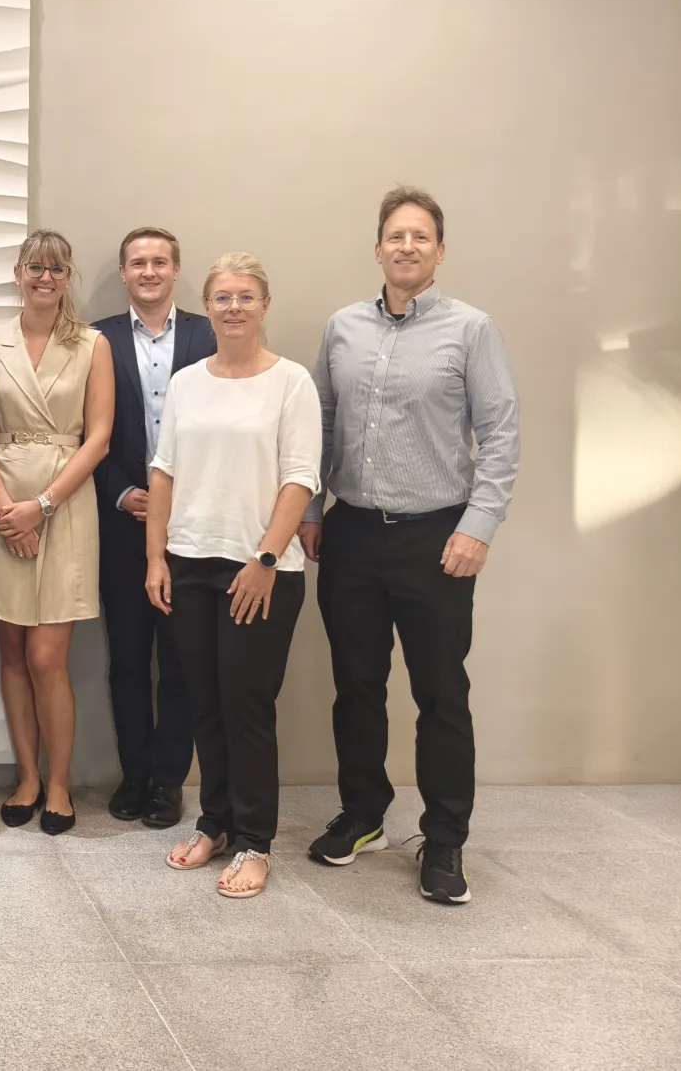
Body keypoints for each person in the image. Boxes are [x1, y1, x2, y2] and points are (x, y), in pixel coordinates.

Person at [298, 187, 519, 906]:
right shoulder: (343, 328)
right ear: (378, 249)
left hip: (437, 537)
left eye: (421, 237)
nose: (407, 247)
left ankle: (445, 838)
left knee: (441, 693)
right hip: (353, 532)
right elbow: (321, 422)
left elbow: (501, 434)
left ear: (440, 251)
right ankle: (363, 814)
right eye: (396, 236)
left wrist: (477, 527)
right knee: (357, 686)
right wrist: (311, 509)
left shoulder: (471, 330)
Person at [146, 252, 320, 899]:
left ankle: (254, 841)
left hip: (260, 569)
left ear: (264, 305)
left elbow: (300, 478)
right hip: (190, 561)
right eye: (222, 297)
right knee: (204, 704)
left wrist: (266, 560)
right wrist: (156, 557)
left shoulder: (291, 382)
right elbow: (163, 471)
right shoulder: (187, 382)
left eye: (246, 297)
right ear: (208, 307)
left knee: (246, 707)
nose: (234, 308)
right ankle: (215, 823)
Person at [0, 230, 113, 836]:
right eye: (35, 267)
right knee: (10, 650)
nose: (44, 278)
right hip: (1, 501)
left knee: (47, 657)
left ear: (67, 276)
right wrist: (8, 510)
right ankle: (27, 776)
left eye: (55, 269)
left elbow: (98, 438)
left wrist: (42, 506)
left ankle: (59, 784)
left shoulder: (92, 344)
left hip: (66, 502)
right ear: (18, 273)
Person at [92, 227, 216, 829]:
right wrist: (122, 492)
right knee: (128, 659)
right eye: (138, 262)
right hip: (123, 523)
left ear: (175, 269)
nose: (149, 271)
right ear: (124, 272)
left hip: (191, 525)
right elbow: (85, 433)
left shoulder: (208, 334)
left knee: (182, 662)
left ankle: (169, 780)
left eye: (159, 262)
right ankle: (135, 774)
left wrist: (175, 496)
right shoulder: (98, 339)